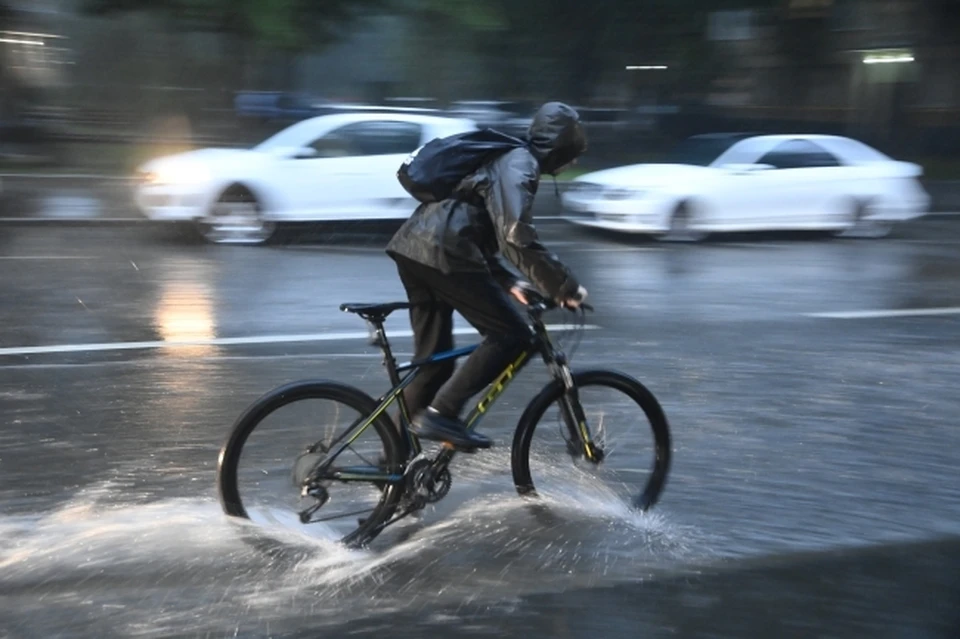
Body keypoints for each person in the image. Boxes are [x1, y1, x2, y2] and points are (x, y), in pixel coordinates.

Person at [385, 102, 588, 451]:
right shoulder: (520, 163)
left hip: (415, 249)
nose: (574, 162)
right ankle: (442, 414)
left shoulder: (506, 157)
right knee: (511, 336)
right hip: (444, 254)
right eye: (572, 153)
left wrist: (510, 282)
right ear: (560, 148)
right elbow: (514, 234)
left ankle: (390, 462)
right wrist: (562, 286)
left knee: (435, 364)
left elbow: (471, 222)